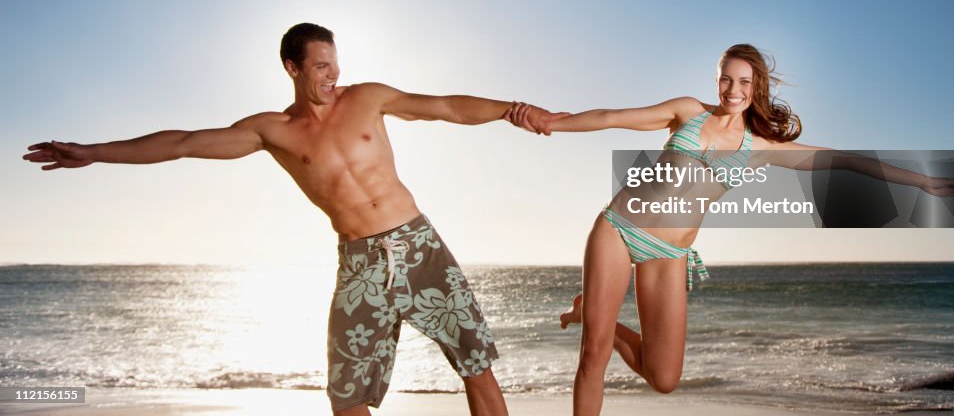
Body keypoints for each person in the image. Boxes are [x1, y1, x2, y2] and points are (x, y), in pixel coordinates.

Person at [23, 22, 558, 416]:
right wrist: (94, 151)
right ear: (293, 68)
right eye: (321, 66)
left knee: (474, 362)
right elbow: (182, 143)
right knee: (346, 395)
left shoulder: (368, 98)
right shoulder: (272, 130)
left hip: (418, 245)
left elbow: (444, 106)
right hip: (360, 265)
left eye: (335, 63)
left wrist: (511, 109)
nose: (333, 74)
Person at [506, 43, 954, 416]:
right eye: (726, 78)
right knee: (594, 357)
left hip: (668, 254)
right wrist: (552, 122)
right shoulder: (687, 112)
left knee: (664, 378)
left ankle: (592, 312)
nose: (733, 88)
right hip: (620, 228)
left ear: (757, 88)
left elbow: (845, 161)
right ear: (717, 79)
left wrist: (923, 182)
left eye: (744, 81)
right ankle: (596, 325)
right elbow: (612, 117)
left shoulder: (761, 147)